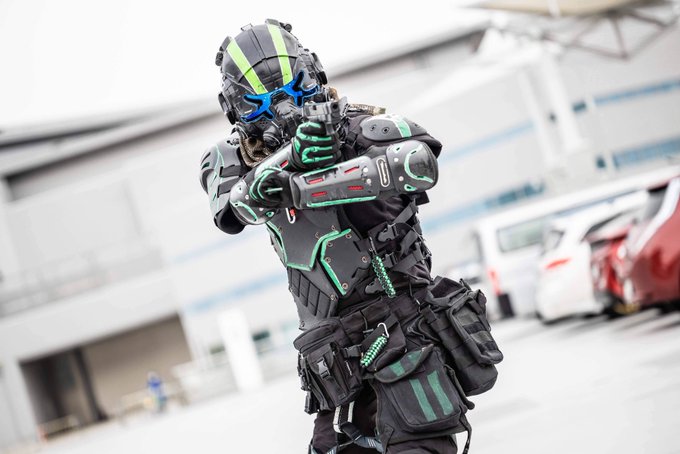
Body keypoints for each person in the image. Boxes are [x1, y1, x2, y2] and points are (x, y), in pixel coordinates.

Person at [200, 19, 501, 454]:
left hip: (404, 338)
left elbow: (418, 162)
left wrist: (328, 162)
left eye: (296, 89)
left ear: (314, 74)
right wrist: (286, 163)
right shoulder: (240, 160)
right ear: (234, 108)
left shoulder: (362, 126)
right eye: (258, 103)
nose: (284, 108)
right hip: (333, 361)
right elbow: (231, 209)